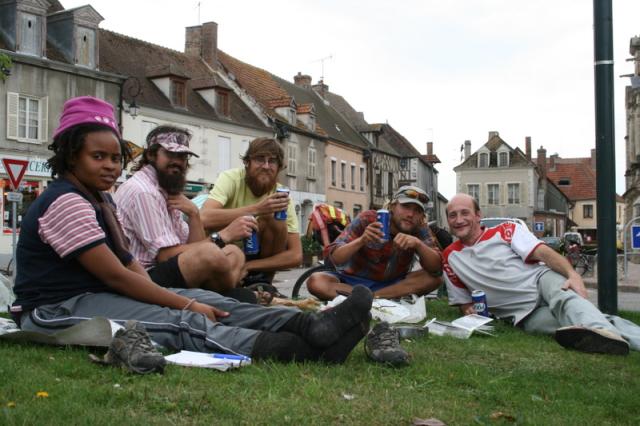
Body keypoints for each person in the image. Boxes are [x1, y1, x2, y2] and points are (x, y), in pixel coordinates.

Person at [9, 96, 373, 366]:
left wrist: (186, 295)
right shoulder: (66, 201)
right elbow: (118, 276)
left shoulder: (101, 199)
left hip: (101, 290)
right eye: (98, 157)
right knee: (179, 319)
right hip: (56, 308)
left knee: (218, 303)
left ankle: (311, 327)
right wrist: (184, 301)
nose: (110, 166)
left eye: (115, 157)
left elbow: (129, 263)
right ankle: (296, 350)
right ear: (71, 155)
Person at [443, 193, 640, 355]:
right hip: (522, 315)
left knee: (566, 301)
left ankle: (605, 335)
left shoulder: (506, 230)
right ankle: (611, 336)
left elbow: (542, 252)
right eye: (453, 215)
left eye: (465, 213)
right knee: (574, 324)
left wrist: (572, 274)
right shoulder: (450, 257)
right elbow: (464, 302)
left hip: (540, 281)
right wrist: (468, 310)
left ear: (478, 215)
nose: (459, 220)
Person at [115, 126, 252, 294]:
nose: (178, 162)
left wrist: (194, 214)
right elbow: (166, 257)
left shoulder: (165, 189)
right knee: (213, 254)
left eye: (182, 156)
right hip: (143, 276)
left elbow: (193, 247)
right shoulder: (144, 191)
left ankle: (227, 292)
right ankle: (231, 292)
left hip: (164, 268)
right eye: (170, 154)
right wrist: (224, 235)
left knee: (235, 253)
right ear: (151, 155)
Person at [307, 186, 443, 300]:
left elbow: (436, 269)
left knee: (434, 279)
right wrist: (362, 240)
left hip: (393, 285)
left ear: (422, 216)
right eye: (406, 206)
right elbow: (332, 259)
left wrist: (418, 244)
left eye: (417, 211)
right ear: (393, 206)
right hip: (352, 282)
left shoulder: (419, 228)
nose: (411, 214)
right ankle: (376, 298)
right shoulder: (369, 219)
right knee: (316, 282)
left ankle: (370, 298)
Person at [200, 138, 302, 290]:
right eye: (260, 159)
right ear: (247, 162)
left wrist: (249, 266)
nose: (266, 166)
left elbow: (296, 256)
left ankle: (261, 283)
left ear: (279, 167)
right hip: (223, 252)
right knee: (265, 216)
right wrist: (257, 209)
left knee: (274, 220)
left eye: (272, 161)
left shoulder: (281, 195)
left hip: (254, 265)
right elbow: (203, 217)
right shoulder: (231, 178)